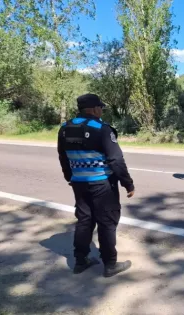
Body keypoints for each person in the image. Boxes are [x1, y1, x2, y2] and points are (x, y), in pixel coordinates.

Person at [57, 93, 134, 278]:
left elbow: (63, 156)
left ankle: (80, 261)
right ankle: (110, 264)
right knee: (107, 222)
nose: (102, 111)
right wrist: (128, 183)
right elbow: (116, 159)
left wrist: (70, 176)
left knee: (84, 220)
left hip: (79, 183)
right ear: (93, 109)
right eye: (101, 107)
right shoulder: (101, 128)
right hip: (102, 183)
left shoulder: (65, 128)